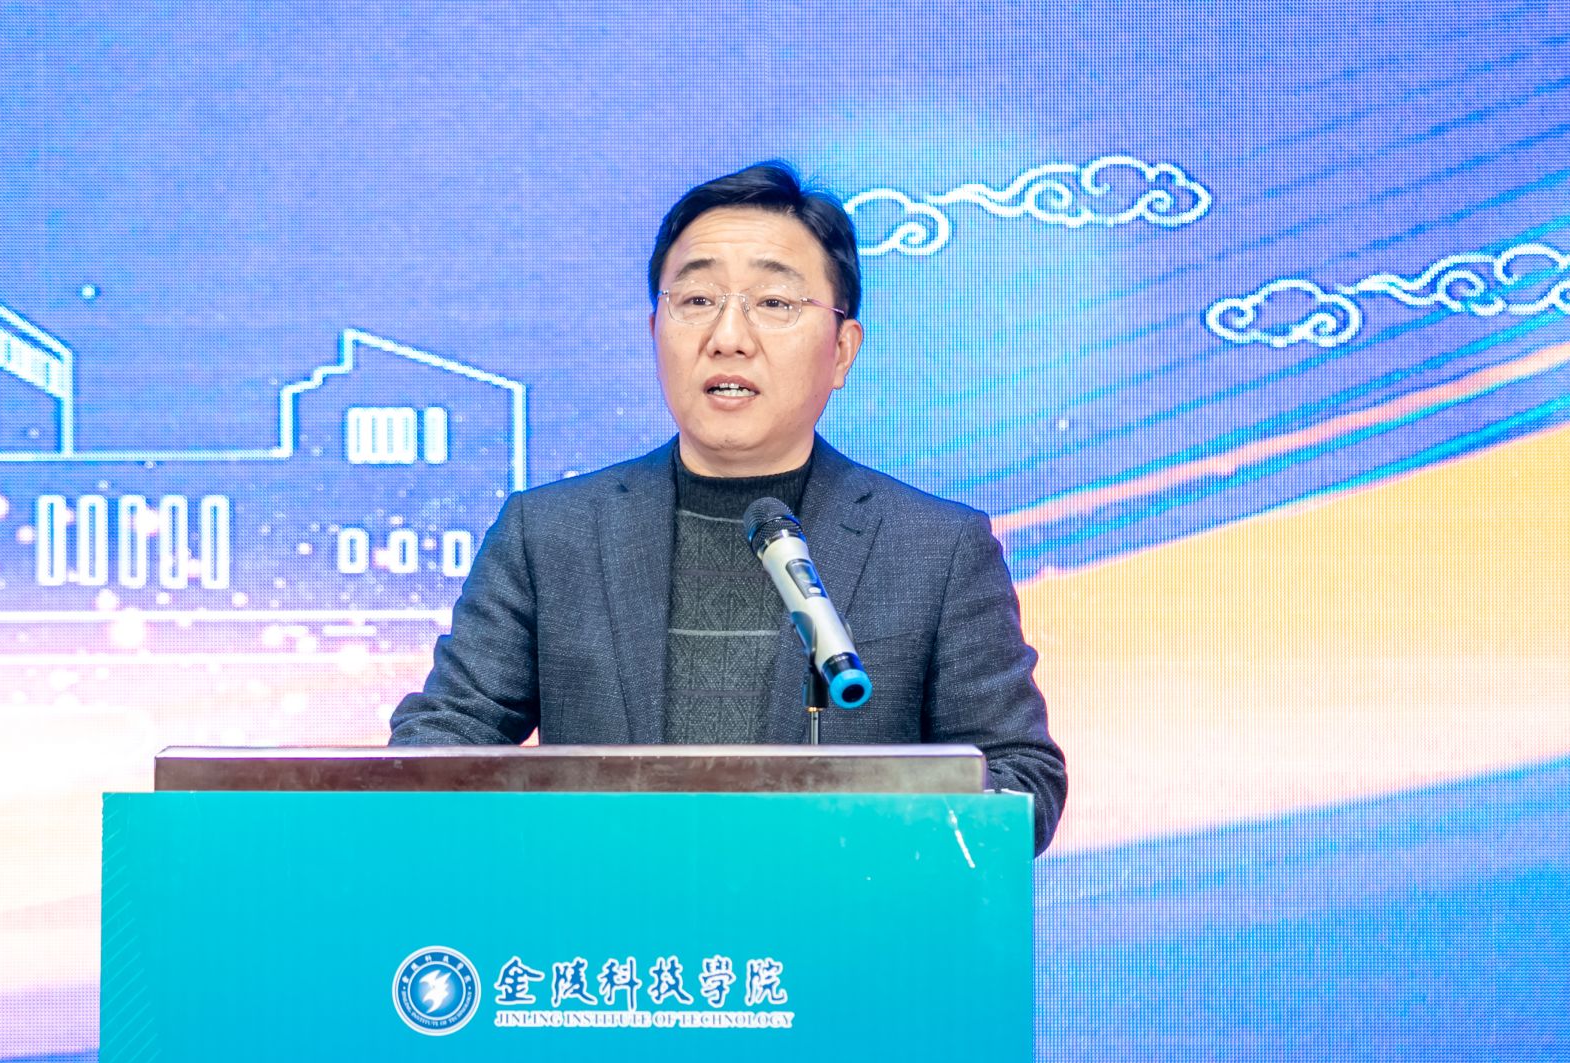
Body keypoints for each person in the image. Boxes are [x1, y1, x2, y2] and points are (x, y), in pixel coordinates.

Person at [387, 161, 1067, 851]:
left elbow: (1022, 781)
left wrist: (866, 838)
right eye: (697, 299)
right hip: (610, 914)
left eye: (774, 302)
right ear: (655, 330)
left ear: (842, 351)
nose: (729, 336)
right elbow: (439, 744)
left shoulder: (935, 548)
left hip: (841, 913)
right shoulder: (550, 535)